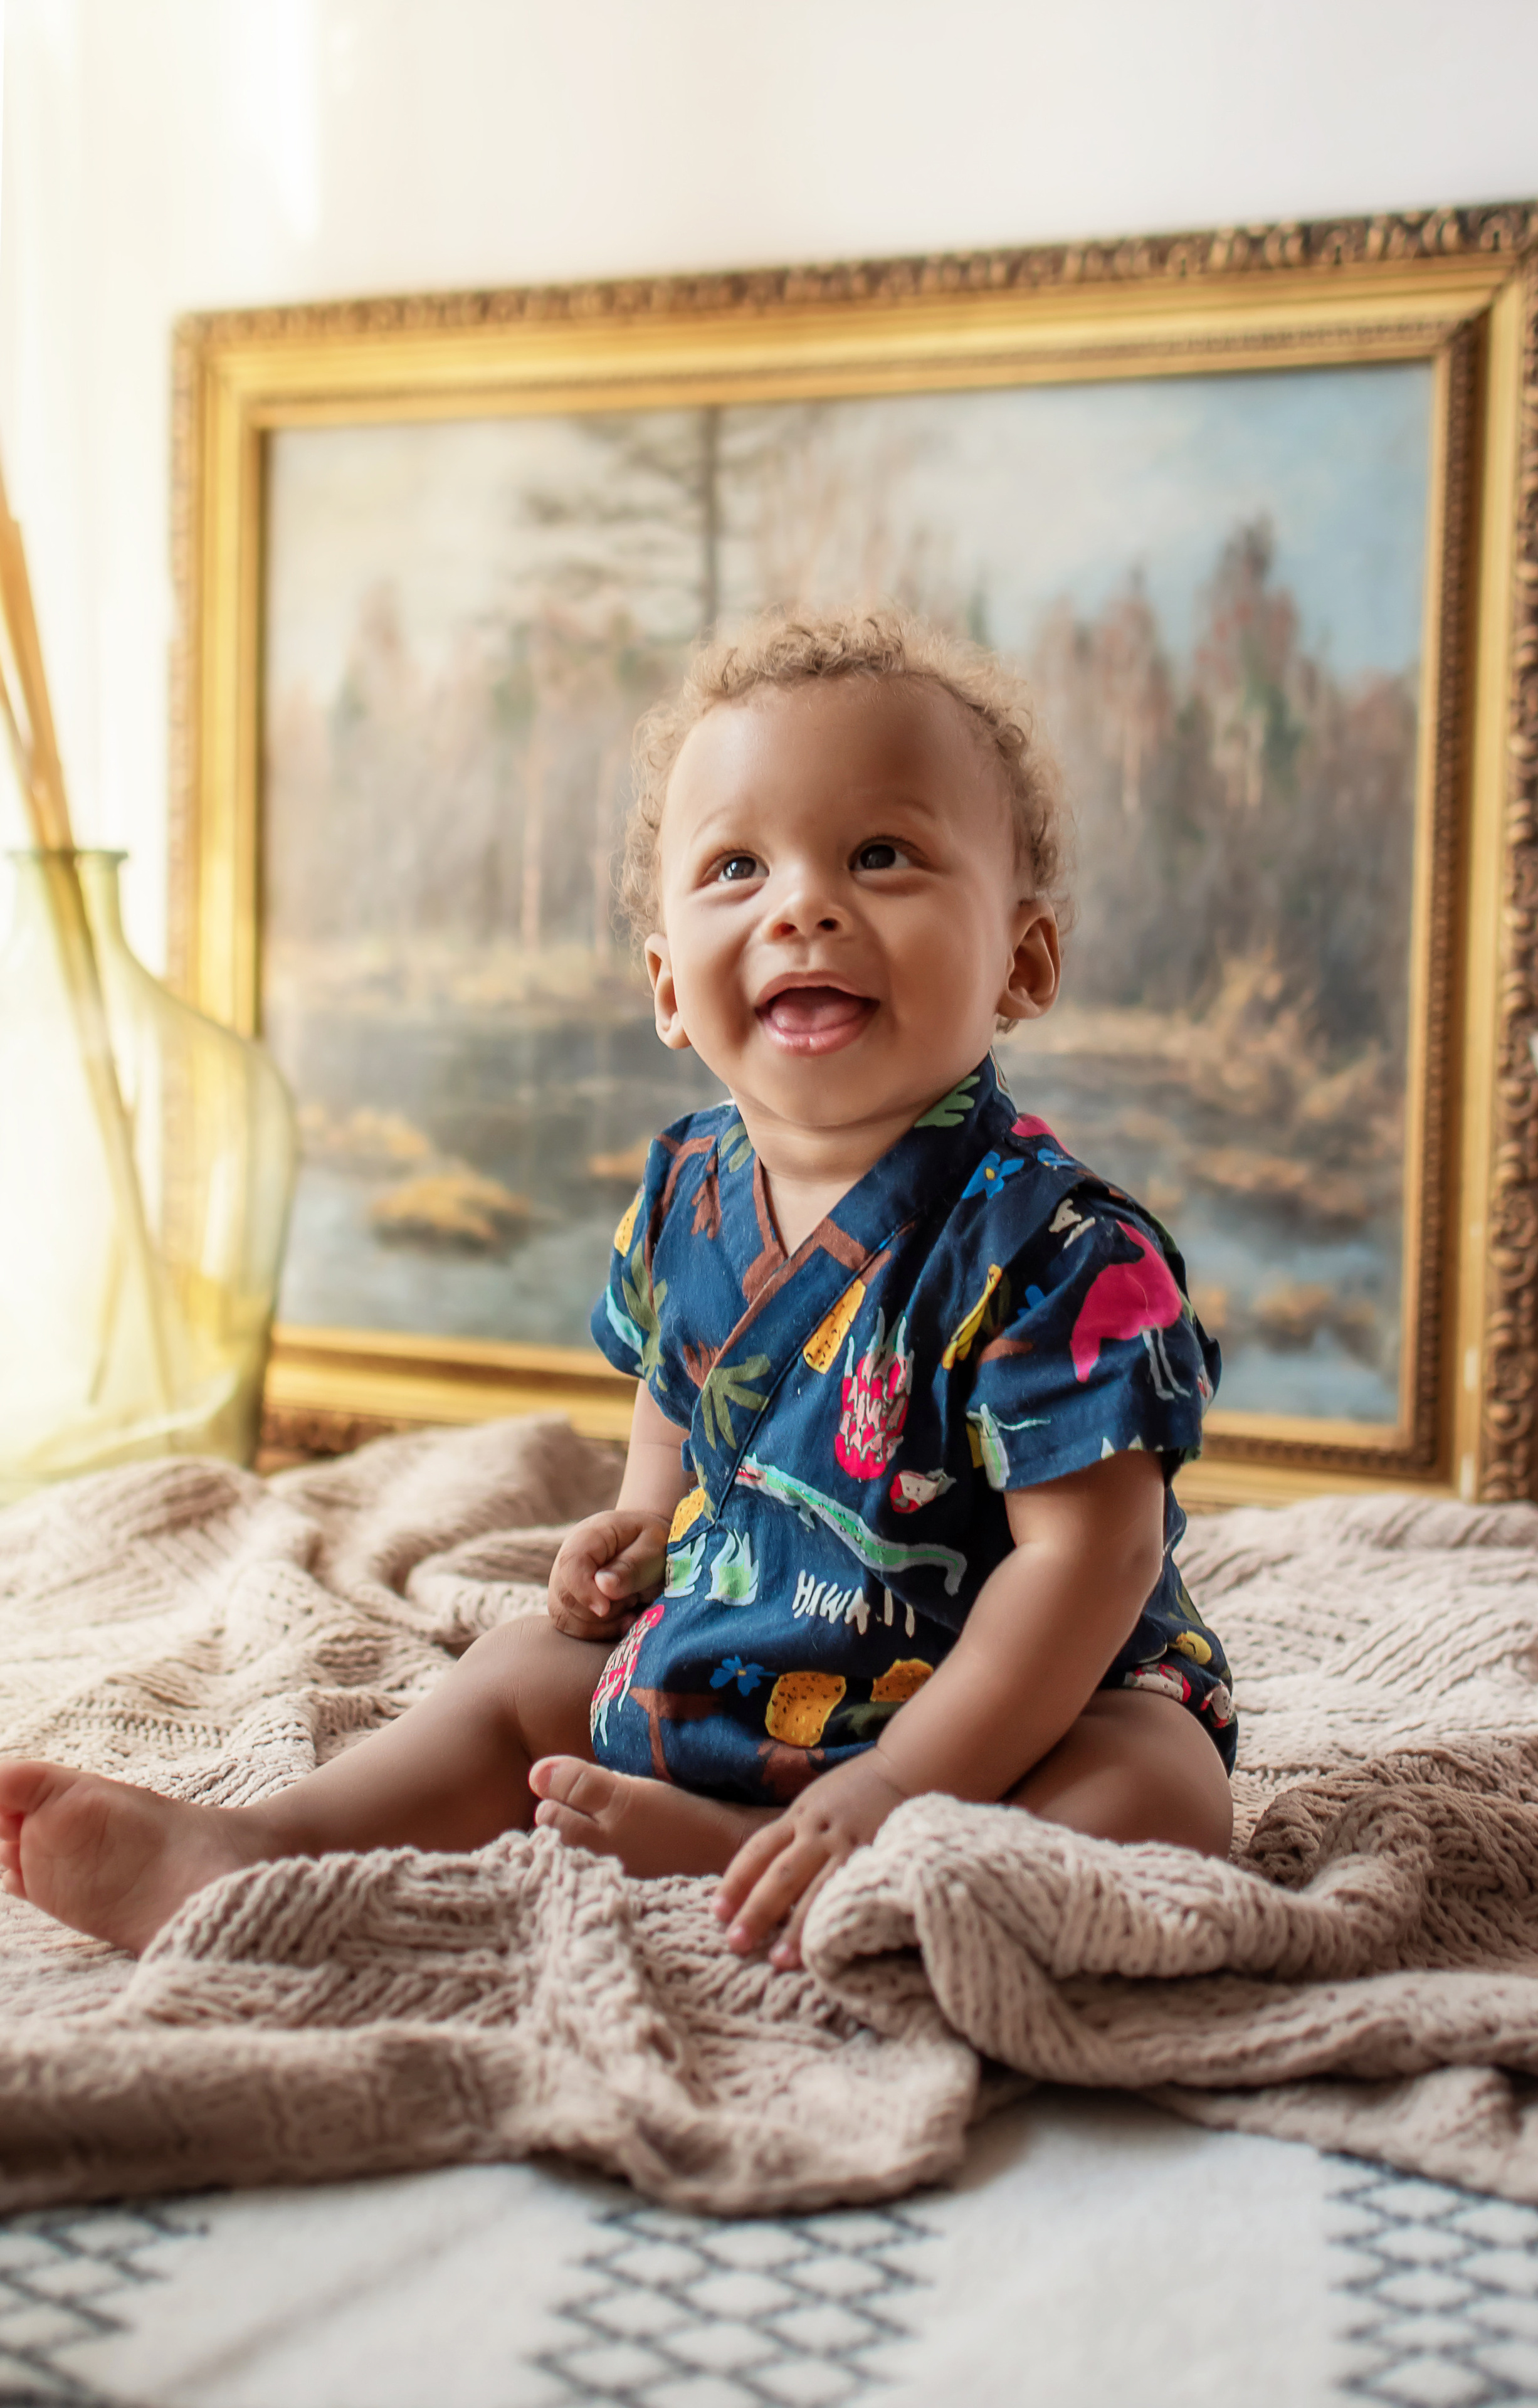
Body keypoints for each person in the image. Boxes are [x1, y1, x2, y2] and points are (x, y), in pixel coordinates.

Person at [0, 605, 1234, 1972]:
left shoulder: (1064, 1253)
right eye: (737, 867)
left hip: (1013, 1695)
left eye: (879, 855)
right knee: (516, 1677)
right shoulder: (685, 1188)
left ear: (1023, 958)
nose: (802, 905)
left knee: (1160, 1794)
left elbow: (1089, 1560)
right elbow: (677, 1397)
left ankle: (793, 1860)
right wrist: (642, 1522)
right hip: (756, 1643)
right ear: (666, 986)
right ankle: (266, 1843)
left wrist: (893, 1784)